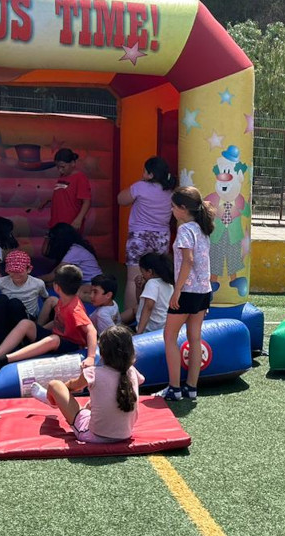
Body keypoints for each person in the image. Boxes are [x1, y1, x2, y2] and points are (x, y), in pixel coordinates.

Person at [30, 325, 143, 443]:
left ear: (103, 353)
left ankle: (52, 399)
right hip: (125, 434)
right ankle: (56, 399)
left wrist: (62, 392)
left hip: (93, 435)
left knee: (55, 385)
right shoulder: (131, 371)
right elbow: (124, 387)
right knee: (91, 403)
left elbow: (73, 385)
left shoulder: (93, 373)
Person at [0, 263, 97, 367]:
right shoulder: (63, 300)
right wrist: (39, 330)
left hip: (71, 345)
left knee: (53, 340)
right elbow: (58, 322)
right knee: (26, 323)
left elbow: (91, 330)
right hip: (58, 336)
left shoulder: (75, 309)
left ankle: (4, 359)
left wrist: (91, 357)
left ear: (56, 287)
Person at [159, 186, 216, 402]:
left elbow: (188, 260)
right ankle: (192, 387)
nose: (171, 210)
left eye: (173, 206)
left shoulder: (185, 230)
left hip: (188, 290)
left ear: (183, 208)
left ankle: (174, 388)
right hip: (203, 290)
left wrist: (177, 290)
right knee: (195, 338)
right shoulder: (203, 228)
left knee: (169, 336)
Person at [117, 156, 177, 324]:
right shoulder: (170, 191)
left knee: (133, 278)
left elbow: (121, 199)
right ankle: (157, 314)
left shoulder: (140, 187)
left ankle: (131, 316)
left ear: (150, 174)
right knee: (158, 278)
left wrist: (139, 184)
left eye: (144, 170)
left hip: (140, 237)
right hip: (161, 238)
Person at [0, 250, 45, 343]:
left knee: (15, 303)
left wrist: (42, 320)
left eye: (19, 271)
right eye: (12, 271)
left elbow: (45, 298)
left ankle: (23, 339)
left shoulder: (37, 283)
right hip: (7, 317)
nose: (16, 275)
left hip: (25, 318)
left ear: (28, 269)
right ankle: (1, 339)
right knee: (0, 299)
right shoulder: (1, 282)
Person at [47, 148, 91, 231]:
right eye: (58, 167)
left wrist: (79, 219)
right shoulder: (62, 176)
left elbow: (86, 201)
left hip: (70, 224)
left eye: (63, 167)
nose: (60, 170)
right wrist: (49, 200)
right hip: (57, 222)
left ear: (73, 163)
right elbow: (64, 194)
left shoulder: (80, 178)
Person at [134, 251, 174, 334]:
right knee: (135, 308)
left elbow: (148, 307)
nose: (142, 275)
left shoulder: (152, 283)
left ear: (149, 272)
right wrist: (138, 288)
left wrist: (139, 332)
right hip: (164, 325)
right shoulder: (168, 284)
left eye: (142, 272)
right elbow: (141, 303)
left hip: (152, 329)